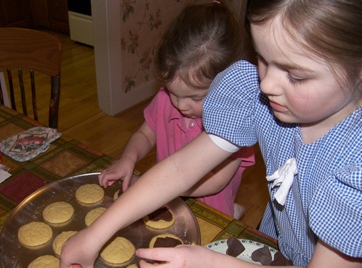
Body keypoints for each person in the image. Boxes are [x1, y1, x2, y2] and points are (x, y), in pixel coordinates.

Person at [61, 0, 362, 268]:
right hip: (286, 247)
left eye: (295, 74)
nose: (267, 84)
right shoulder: (257, 93)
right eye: (262, 59)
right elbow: (180, 169)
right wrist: (96, 233)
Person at [98, 2, 255, 219]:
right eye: (174, 92)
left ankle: (232, 209)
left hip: (210, 209)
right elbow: (145, 134)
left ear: (227, 87)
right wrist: (128, 158)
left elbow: (217, 181)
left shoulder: (234, 121)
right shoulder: (164, 100)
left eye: (195, 97)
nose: (181, 105)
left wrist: (163, 188)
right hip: (168, 199)